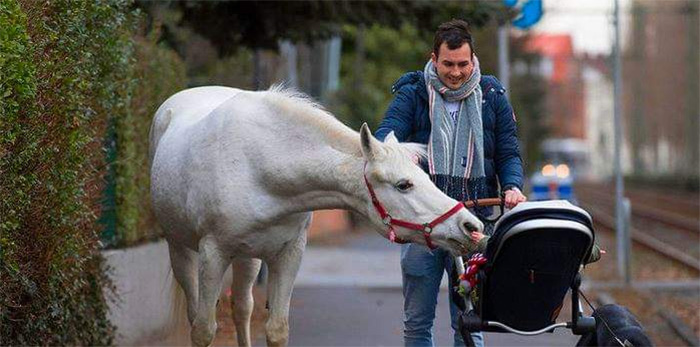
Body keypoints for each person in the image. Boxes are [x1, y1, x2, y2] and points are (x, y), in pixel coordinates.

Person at [374, 19, 527, 347]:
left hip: (473, 226)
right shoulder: (413, 92)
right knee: (417, 323)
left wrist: (512, 186)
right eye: (448, 64)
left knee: (470, 323)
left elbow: (508, 153)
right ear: (434, 58)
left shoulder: (492, 96)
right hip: (423, 229)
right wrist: (401, 154)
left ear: (472, 60)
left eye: (463, 64)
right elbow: (385, 136)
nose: (456, 72)